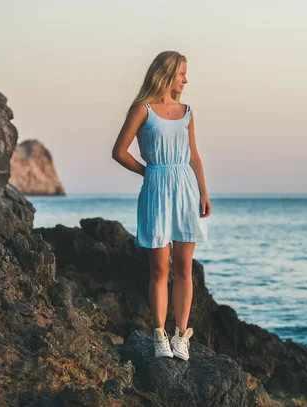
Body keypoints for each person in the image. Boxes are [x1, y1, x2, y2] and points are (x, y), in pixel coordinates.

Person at [111, 51, 211, 361]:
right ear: (166, 74)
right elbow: (119, 151)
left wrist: (204, 193)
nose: (185, 79)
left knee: (184, 267)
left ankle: (181, 335)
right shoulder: (142, 110)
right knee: (159, 268)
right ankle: (159, 336)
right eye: (182, 73)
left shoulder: (187, 112)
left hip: (186, 188)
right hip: (156, 190)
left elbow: (193, 155)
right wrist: (148, 171)